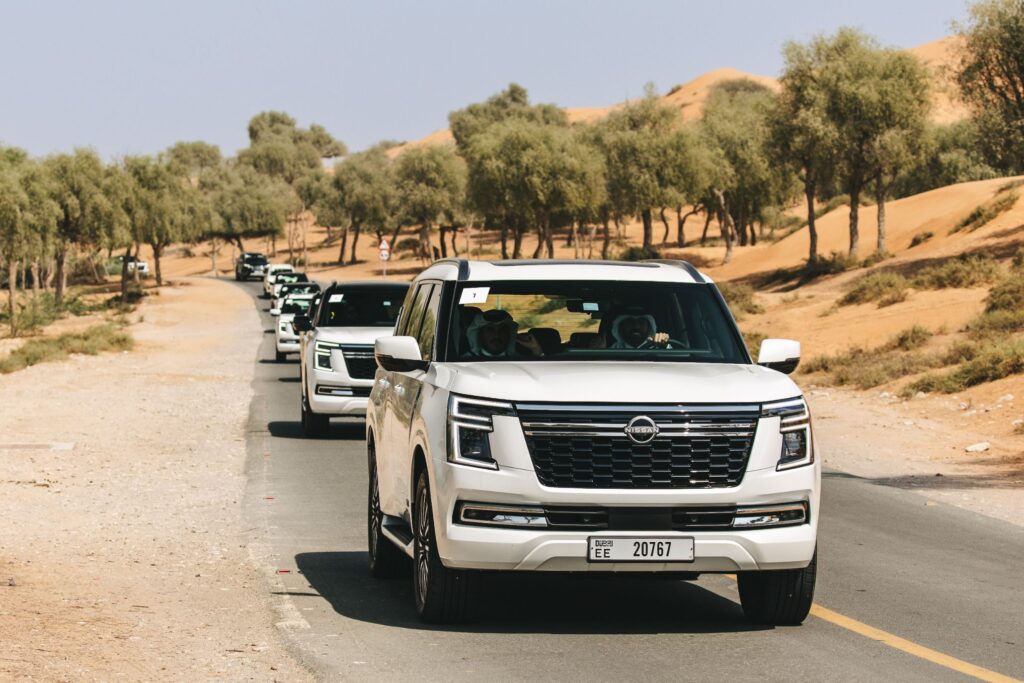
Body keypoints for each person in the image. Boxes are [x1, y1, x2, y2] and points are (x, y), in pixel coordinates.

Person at [464, 309, 544, 358]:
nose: (497, 335)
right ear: (480, 334)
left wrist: (536, 350)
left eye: (502, 330)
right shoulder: (462, 363)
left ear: (509, 334)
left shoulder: (520, 361)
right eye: (490, 330)